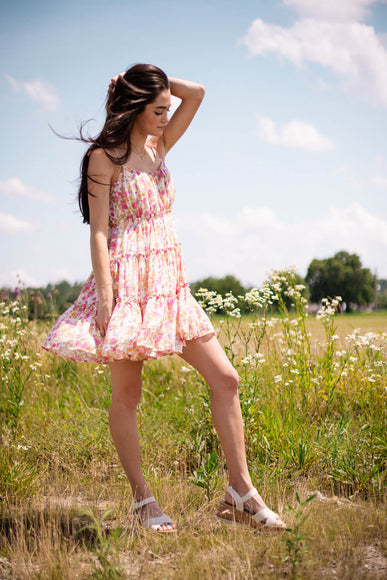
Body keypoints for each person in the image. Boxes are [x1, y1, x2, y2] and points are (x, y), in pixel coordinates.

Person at [43, 64, 286, 533]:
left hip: (170, 284)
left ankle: (241, 493)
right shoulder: (104, 157)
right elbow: (97, 232)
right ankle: (144, 502)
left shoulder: (160, 145)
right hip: (126, 284)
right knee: (128, 394)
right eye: (157, 109)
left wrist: (154, 83)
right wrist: (107, 301)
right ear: (136, 109)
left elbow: (197, 92)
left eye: (166, 110)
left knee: (226, 378)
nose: (165, 115)